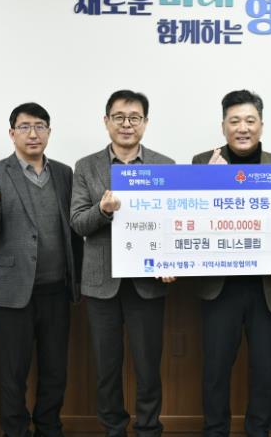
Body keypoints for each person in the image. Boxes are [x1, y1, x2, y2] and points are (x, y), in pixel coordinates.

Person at [192, 90, 271, 437]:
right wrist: (210, 182)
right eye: (235, 121)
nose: (243, 128)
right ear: (223, 126)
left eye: (250, 121)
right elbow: (191, 217)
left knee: (265, 370)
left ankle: (260, 431)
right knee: (215, 370)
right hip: (220, 287)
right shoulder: (202, 163)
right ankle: (215, 431)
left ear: (261, 125)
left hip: (267, 287)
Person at [70, 89, 175, 437]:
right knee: (107, 367)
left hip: (148, 282)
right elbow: (78, 223)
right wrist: (102, 210)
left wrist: (172, 261)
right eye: (119, 117)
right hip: (102, 282)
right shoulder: (86, 166)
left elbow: (174, 223)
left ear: (145, 122)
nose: (127, 124)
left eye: (134, 118)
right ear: (106, 121)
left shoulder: (165, 165)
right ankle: (113, 428)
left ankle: (149, 429)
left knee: (148, 366)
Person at [0, 103, 82, 437]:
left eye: (40, 126)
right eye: (24, 127)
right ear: (12, 133)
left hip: (56, 289)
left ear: (49, 132)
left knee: (55, 371)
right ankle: (15, 431)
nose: (33, 133)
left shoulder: (64, 173)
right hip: (12, 291)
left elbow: (73, 228)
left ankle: (49, 428)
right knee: (13, 374)